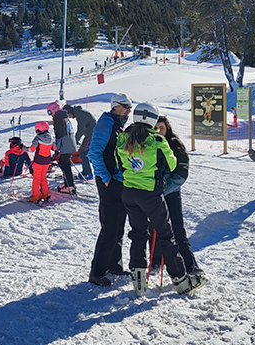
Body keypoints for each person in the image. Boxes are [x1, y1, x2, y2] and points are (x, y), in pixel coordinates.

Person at [116, 102, 203, 296]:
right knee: (166, 234)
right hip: (150, 193)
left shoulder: (124, 137)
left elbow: (118, 162)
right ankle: (180, 279)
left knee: (138, 234)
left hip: (129, 192)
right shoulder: (156, 140)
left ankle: (138, 282)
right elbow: (171, 164)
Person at [87, 93, 132, 287]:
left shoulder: (117, 123)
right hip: (109, 182)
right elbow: (94, 153)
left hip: (117, 180)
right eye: (126, 106)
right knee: (109, 227)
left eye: (130, 106)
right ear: (115, 106)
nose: (129, 109)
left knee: (119, 226)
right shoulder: (106, 123)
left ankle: (114, 265)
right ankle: (97, 272)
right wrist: (106, 179)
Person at [150, 115, 203, 278]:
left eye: (162, 128)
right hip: (153, 193)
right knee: (154, 228)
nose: (159, 131)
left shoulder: (174, 144)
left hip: (170, 192)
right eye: (156, 128)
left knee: (177, 229)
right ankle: (156, 261)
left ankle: (191, 265)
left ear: (168, 129)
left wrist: (165, 189)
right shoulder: (149, 143)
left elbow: (181, 173)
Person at [48, 102, 77, 194]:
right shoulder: (64, 116)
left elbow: (59, 135)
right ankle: (68, 183)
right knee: (64, 163)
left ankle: (70, 186)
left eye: (49, 112)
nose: (50, 115)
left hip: (65, 143)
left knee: (64, 164)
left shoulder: (58, 118)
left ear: (54, 110)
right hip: (70, 142)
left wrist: (56, 148)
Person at [64, 104, 96, 181]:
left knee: (83, 152)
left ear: (70, 111)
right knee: (85, 152)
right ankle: (87, 171)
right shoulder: (80, 113)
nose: (70, 117)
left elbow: (80, 130)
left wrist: (74, 141)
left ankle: (87, 173)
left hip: (92, 134)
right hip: (91, 134)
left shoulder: (81, 114)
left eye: (69, 115)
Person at [29, 121, 55, 202]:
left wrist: (23, 148)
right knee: (43, 177)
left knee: (36, 178)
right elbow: (54, 148)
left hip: (38, 161)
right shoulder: (51, 137)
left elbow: (31, 149)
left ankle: (36, 196)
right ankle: (45, 194)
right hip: (47, 161)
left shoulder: (38, 138)